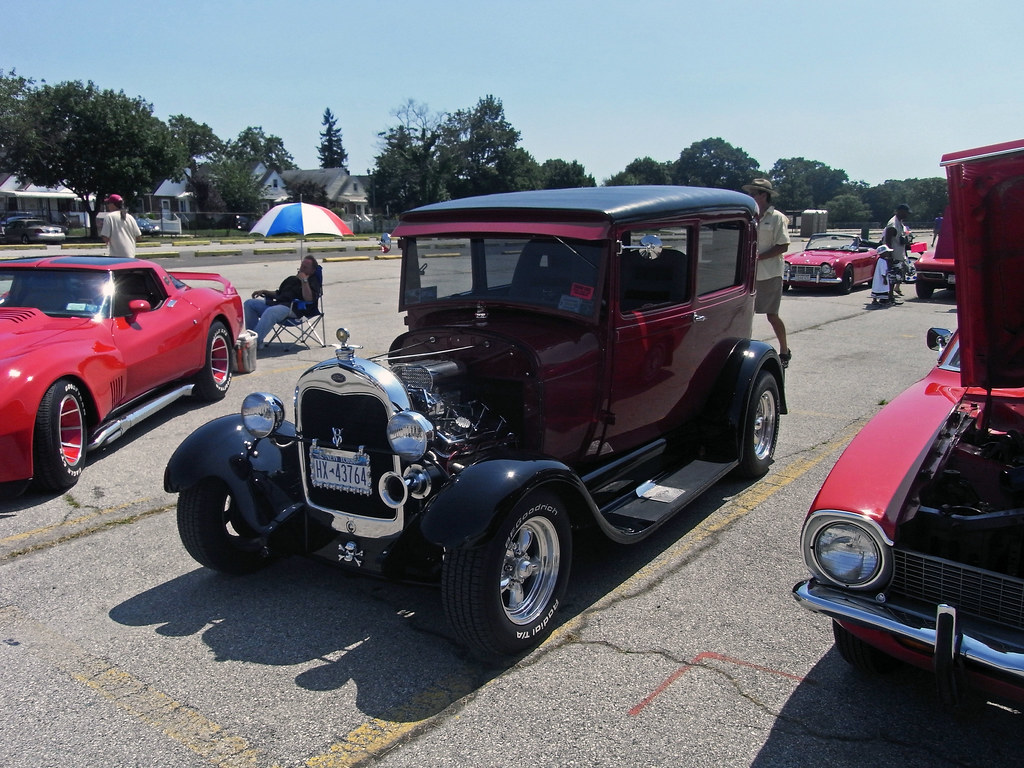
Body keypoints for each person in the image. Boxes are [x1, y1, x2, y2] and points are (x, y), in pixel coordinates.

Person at [742, 178, 792, 367]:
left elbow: (783, 245)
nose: (750, 196)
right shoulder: (750, 216)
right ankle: (744, 350)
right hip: (748, 274)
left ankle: (784, 351)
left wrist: (758, 257)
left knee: (772, 315)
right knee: (745, 314)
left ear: (764, 195)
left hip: (769, 274)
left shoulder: (777, 218)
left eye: (753, 193)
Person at [244, 255, 322, 349]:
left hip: (296, 309)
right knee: (249, 304)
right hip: (279, 304)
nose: (302, 269)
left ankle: (252, 344)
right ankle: (253, 338)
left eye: (305, 267)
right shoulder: (291, 279)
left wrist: (304, 281)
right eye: (302, 266)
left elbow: (309, 299)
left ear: (312, 270)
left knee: (271, 312)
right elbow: (279, 293)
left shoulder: (313, 281)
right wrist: (265, 291)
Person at [883, 204, 913, 296]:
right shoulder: (893, 224)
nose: (907, 215)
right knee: (892, 277)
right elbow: (887, 241)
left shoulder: (899, 222)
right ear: (900, 211)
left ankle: (891, 295)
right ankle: (890, 296)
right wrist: (889, 255)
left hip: (899, 254)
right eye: (906, 213)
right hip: (893, 255)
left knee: (897, 277)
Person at [100, 194, 142, 258]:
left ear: (113, 204)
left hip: (117, 257)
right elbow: (138, 237)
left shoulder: (109, 217)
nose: (107, 205)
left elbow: (105, 238)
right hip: (131, 256)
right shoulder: (130, 217)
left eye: (108, 203)